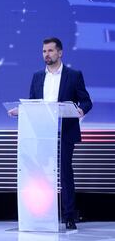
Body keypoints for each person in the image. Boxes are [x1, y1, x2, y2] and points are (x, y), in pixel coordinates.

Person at [28, 37, 92, 230]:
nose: (46, 54)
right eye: (44, 51)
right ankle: (41, 215)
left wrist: (81, 110)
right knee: (41, 174)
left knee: (65, 173)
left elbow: (86, 101)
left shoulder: (73, 75)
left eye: (50, 51)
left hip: (65, 131)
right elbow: (33, 103)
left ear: (60, 52)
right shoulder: (38, 76)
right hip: (42, 132)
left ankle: (69, 216)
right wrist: (20, 110)